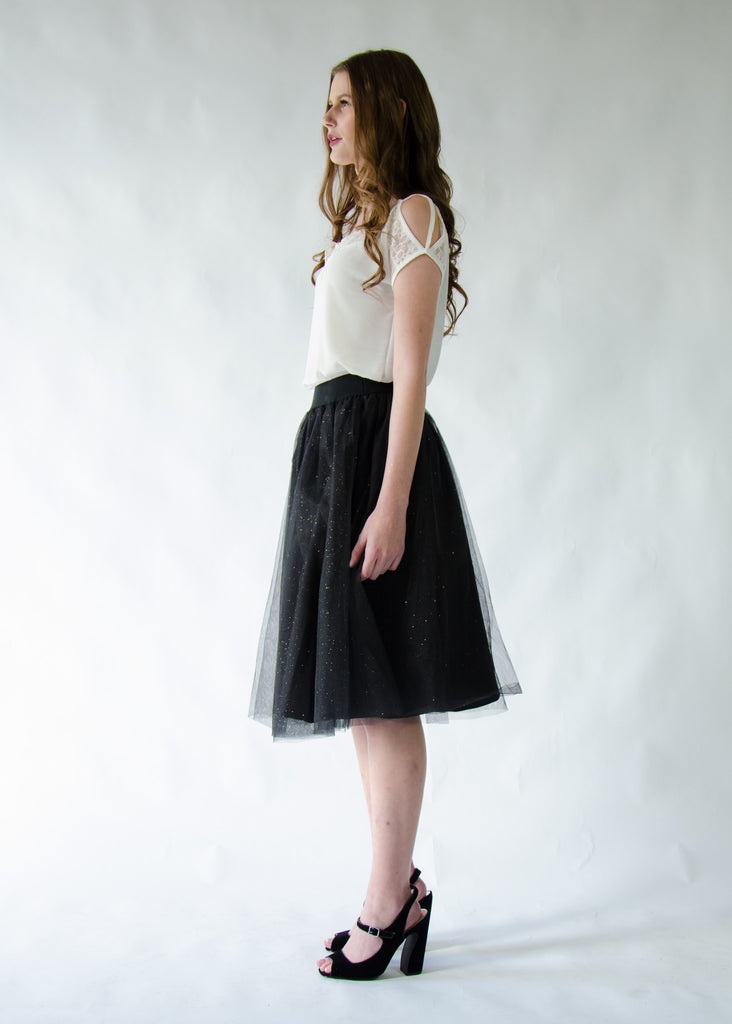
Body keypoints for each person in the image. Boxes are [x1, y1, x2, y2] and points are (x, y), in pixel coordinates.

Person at [249, 48, 521, 981]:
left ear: (388, 110)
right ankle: (397, 888)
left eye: (343, 103)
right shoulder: (362, 223)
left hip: (377, 456)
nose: (328, 120)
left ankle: (385, 898)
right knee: (362, 694)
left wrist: (392, 501)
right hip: (333, 453)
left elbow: (410, 372)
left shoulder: (412, 215)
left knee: (387, 691)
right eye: (325, 105)